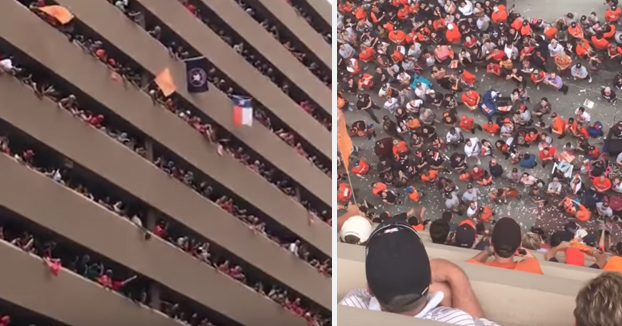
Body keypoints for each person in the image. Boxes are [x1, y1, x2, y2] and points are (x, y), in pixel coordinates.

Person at [339, 220, 501, 325]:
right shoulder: (457, 320)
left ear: (369, 289)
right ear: (431, 279)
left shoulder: (351, 304)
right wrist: (456, 275)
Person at [467, 217, 544, 274]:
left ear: (491, 242)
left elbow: (469, 263)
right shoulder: (532, 266)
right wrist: (521, 249)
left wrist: (488, 250)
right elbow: (533, 260)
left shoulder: (473, 267)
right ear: (519, 245)